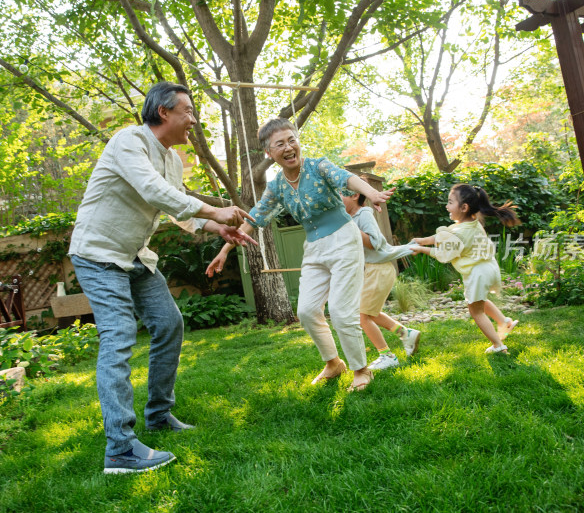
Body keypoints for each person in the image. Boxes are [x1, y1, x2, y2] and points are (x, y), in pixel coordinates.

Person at [69, 81, 257, 474]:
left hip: (135, 256)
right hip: (98, 254)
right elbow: (153, 191)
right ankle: (120, 448)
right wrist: (213, 210)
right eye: (187, 111)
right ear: (163, 112)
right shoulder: (128, 141)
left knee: (169, 324)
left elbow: (177, 208)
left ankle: (158, 415)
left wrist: (216, 229)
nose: (193, 119)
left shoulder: (172, 161)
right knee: (119, 338)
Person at [205, 118, 395, 392]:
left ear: (298, 141)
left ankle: (361, 370)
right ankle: (333, 363)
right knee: (306, 311)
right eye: (279, 144)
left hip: (343, 239)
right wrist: (225, 249)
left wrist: (371, 192)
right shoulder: (277, 186)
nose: (288, 147)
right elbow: (255, 217)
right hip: (315, 247)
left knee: (341, 311)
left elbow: (347, 178)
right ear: (269, 154)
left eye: (291, 139)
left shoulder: (318, 166)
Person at [409, 184, 520, 354]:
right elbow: (442, 237)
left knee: (475, 310)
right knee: (478, 300)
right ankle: (504, 321)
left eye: (450, 202)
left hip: (477, 273)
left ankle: (499, 346)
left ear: (464, 207)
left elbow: (443, 254)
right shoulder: (472, 223)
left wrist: (421, 249)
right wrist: (423, 241)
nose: (447, 206)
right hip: (489, 267)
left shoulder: (460, 232)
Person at [340, 189, 420, 370]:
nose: (337, 198)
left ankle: (387, 356)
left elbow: (375, 243)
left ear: (354, 196)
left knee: (362, 316)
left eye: (340, 194)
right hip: (372, 270)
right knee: (370, 312)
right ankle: (406, 333)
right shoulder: (351, 218)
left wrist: (351, 228)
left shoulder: (364, 214)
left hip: (378, 270)